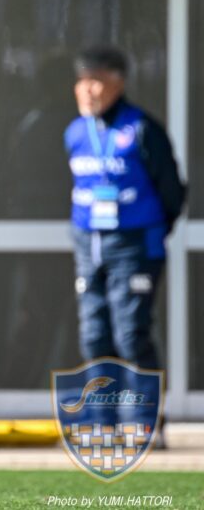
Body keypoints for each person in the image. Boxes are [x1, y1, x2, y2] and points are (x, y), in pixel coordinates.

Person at [66, 45, 186, 373]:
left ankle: (144, 407)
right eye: (81, 81)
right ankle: (103, 408)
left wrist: (150, 230)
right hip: (89, 244)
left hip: (134, 246)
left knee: (131, 336)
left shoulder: (142, 129)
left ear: (118, 83)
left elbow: (171, 191)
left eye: (95, 81)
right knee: (94, 337)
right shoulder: (76, 132)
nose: (86, 90)